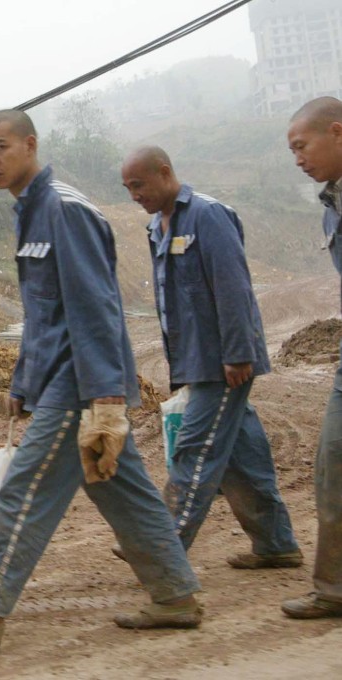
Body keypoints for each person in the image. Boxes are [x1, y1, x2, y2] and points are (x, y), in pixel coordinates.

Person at [0, 110, 202, 648]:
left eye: (0, 147)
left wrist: (104, 401)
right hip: (62, 380)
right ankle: (175, 595)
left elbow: (95, 308)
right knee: (125, 492)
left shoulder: (64, 211)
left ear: (30, 145)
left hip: (78, 387)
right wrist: (21, 383)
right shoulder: (31, 213)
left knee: (23, 493)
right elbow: (44, 313)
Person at [120, 147, 301, 568]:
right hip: (194, 358)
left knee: (194, 450)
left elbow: (234, 287)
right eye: (127, 188)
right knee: (243, 456)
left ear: (165, 173)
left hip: (223, 361)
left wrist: (238, 354)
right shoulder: (156, 227)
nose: (134, 195)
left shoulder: (208, 216)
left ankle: (160, 550)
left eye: (139, 184)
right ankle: (277, 544)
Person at [282, 96, 342, 618]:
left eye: (302, 145)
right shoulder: (331, 207)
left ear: (338, 132)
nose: (297, 158)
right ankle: (334, 589)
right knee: (333, 462)